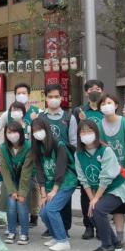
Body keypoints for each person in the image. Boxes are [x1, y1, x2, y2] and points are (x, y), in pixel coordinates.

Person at [74, 120, 125, 251]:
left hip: (117, 188)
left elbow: (106, 178)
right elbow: (83, 179)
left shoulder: (105, 150)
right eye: (83, 132)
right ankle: (115, 242)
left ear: (96, 133)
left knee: (98, 209)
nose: (86, 134)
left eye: (89, 131)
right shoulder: (78, 154)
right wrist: (91, 200)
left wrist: (95, 199)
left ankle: (107, 246)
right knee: (93, 210)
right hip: (100, 191)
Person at [99, 94, 125, 251]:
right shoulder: (99, 124)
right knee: (116, 205)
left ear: (116, 105)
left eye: (109, 102)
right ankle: (119, 236)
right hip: (111, 171)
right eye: (103, 103)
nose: (106, 105)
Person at [31, 117, 78, 251]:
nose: (37, 132)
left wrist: (55, 190)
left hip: (66, 182)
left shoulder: (59, 144)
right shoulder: (37, 147)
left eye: (39, 129)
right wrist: (43, 193)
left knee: (52, 210)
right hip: (50, 184)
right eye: (34, 130)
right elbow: (39, 171)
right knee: (44, 212)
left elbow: (61, 168)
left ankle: (63, 241)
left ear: (46, 129)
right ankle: (56, 236)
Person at [42, 84, 78, 236]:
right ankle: (52, 226)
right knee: (50, 192)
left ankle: (65, 227)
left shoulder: (69, 117)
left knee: (63, 195)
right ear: (46, 98)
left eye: (56, 96)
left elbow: (74, 141)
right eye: (50, 97)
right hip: (47, 162)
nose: (53, 99)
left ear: (61, 97)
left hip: (65, 162)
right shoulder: (41, 118)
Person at [72, 80, 105, 240]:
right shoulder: (79, 110)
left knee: (103, 192)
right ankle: (88, 226)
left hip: (103, 155)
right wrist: (81, 120)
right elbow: (74, 132)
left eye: (98, 89)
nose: (95, 91)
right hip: (85, 154)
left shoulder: (106, 109)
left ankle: (101, 226)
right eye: (91, 89)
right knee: (86, 193)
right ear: (86, 93)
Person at [0, 121, 34, 245]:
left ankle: (24, 233)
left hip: (24, 178)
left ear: (21, 133)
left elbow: (26, 171)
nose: (12, 134)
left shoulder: (28, 146)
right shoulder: (2, 148)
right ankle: (12, 231)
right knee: (11, 203)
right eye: (9, 132)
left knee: (21, 204)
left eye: (15, 132)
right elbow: (5, 171)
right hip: (10, 179)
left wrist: (22, 192)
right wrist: (12, 191)